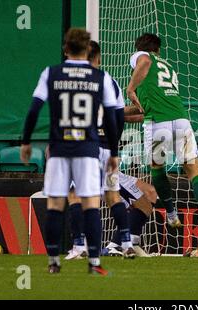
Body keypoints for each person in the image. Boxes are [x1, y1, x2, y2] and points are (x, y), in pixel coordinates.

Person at [20, 28, 120, 275]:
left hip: (59, 149)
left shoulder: (51, 73)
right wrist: (115, 152)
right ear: (87, 50)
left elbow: (33, 110)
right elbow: (110, 118)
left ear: (65, 48)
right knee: (91, 205)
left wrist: (26, 142)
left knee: (55, 204)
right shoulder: (101, 77)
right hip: (88, 149)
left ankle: (54, 260)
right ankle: (94, 262)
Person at [126, 33, 198, 240]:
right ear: (159, 49)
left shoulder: (141, 57)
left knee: (157, 167)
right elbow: (146, 109)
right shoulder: (167, 66)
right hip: (181, 120)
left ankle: (171, 214)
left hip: (157, 124)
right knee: (194, 169)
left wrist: (130, 88)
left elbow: (143, 61)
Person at [65, 40, 156, 260]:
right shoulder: (110, 82)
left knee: (77, 195)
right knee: (113, 195)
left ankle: (81, 246)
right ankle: (125, 244)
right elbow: (117, 116)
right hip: (107, 149)